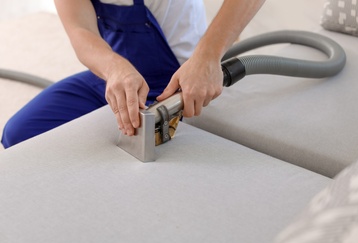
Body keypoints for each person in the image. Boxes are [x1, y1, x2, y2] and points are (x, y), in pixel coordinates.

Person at [1, 0, 265, 148]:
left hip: (181, 84)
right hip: (111, 78)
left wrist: (207, 58)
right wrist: (114, 69)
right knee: (19, 134)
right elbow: (80, 31)